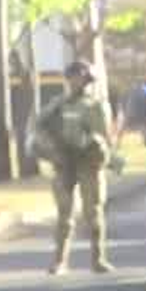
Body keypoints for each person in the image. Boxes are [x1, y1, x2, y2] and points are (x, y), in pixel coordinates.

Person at [33, 60, 115, 275]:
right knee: (64, 215)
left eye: (79, 77)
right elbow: (38, 126)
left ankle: (98, 259)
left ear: (88, 79)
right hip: (64, 162)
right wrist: (51, 149)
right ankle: (60, 261)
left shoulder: (96, 105)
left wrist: (101, 151)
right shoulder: (58, 104)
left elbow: (105, 136)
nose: (75, 81)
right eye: (71, 77)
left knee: (93, 213)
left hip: (88, 162)